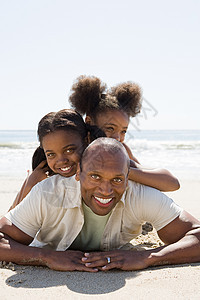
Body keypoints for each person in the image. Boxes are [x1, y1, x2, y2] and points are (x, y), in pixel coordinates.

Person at [1, 138, 199, 272]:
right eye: (95, 176)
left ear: (128, 177)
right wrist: (46, 257)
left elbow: (196, 234)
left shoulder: (139, 194)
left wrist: (147, 257)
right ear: (78, 173)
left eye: (117, 179)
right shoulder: (48, 192)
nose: (106, 190)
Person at [69, 75, 180, 192]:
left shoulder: (121, 152)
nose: (118, 138)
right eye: (110, 128)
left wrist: (120, 170)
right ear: (89, 122)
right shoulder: (76, 149)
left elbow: (172, 183)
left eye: (123, 131)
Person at [9, 109, 105, 210]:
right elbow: (10, 219)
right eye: (51, 154)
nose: (61, 160)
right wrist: (29, 186)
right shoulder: (42, 182)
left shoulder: (101, 176)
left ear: (86, 140)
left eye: (69, 150)